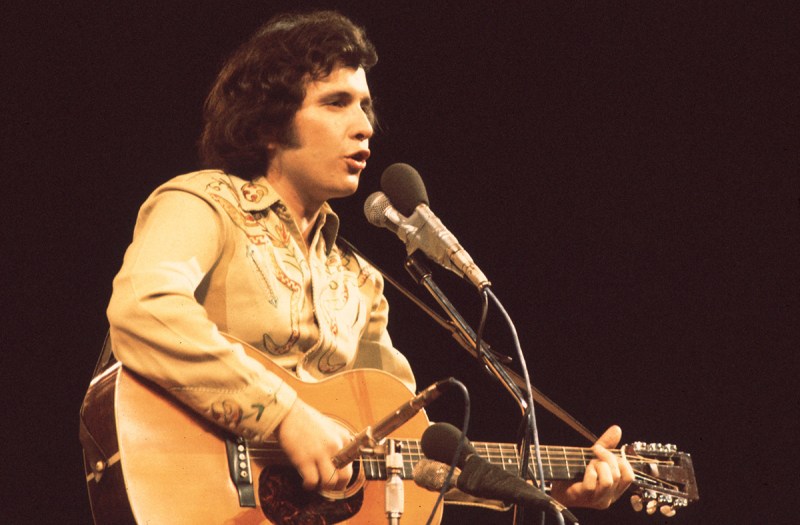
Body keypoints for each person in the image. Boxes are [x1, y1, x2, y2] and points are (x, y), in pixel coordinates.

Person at [106, 9, 632, 516]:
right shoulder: (203, 203)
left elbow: (409, 456)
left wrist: (551, 492)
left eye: (365, 106)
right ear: (268, 122)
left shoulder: (359, 279)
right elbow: (145, 309)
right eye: (337, 103)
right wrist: (286, 416)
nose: (364, 127)